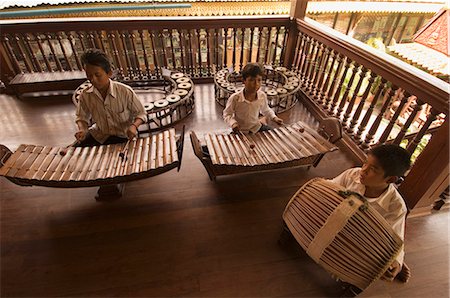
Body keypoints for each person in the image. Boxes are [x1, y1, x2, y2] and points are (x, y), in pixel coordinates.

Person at [330, 144, 412, 284]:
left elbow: (395, 238)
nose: (363, 171)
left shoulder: (396, 206)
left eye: (373, 169)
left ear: (390, 179)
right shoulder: (352, 175)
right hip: (335, 218)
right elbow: (329, 188)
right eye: (365, 164)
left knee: (378, 262)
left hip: (361, 237)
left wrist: (396, 260)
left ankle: (395, 264)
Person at [75, 48, 146, 146]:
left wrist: (133, 126)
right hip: (99, 136)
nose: (93, 79)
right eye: (89, 75)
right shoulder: (85, 95)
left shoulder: (125, 91)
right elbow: (81, 117)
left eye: (97, 75)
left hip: (123, 137)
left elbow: (141, 113)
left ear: (109, 73)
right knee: (73, 152)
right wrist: (82, 130)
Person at [223, 63, 284, 133]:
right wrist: (233, 123)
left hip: (256, 127)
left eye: (259, 80)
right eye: (251, 80)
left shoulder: (262, 96)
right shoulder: (235, 98)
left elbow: (266, 110)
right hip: (240, 130)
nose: (256, 84)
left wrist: (274, 118)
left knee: (274, 134)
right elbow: (227, 114)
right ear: (244, 81)